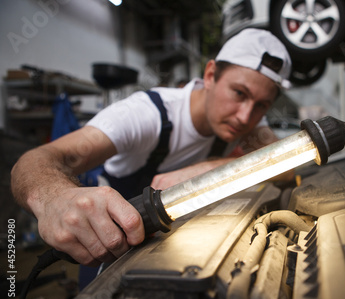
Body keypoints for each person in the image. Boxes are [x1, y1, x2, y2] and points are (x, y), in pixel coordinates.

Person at [10, 28, 294, 267]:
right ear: (210, 75)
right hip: (109, 241)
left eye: (261, 105)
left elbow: (286, 164)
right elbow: (36, 160)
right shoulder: (144, 114)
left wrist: (210, 169)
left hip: (172, 236)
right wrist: (54, 198)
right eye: (239, 93)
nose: (246, 116)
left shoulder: (248, 118)